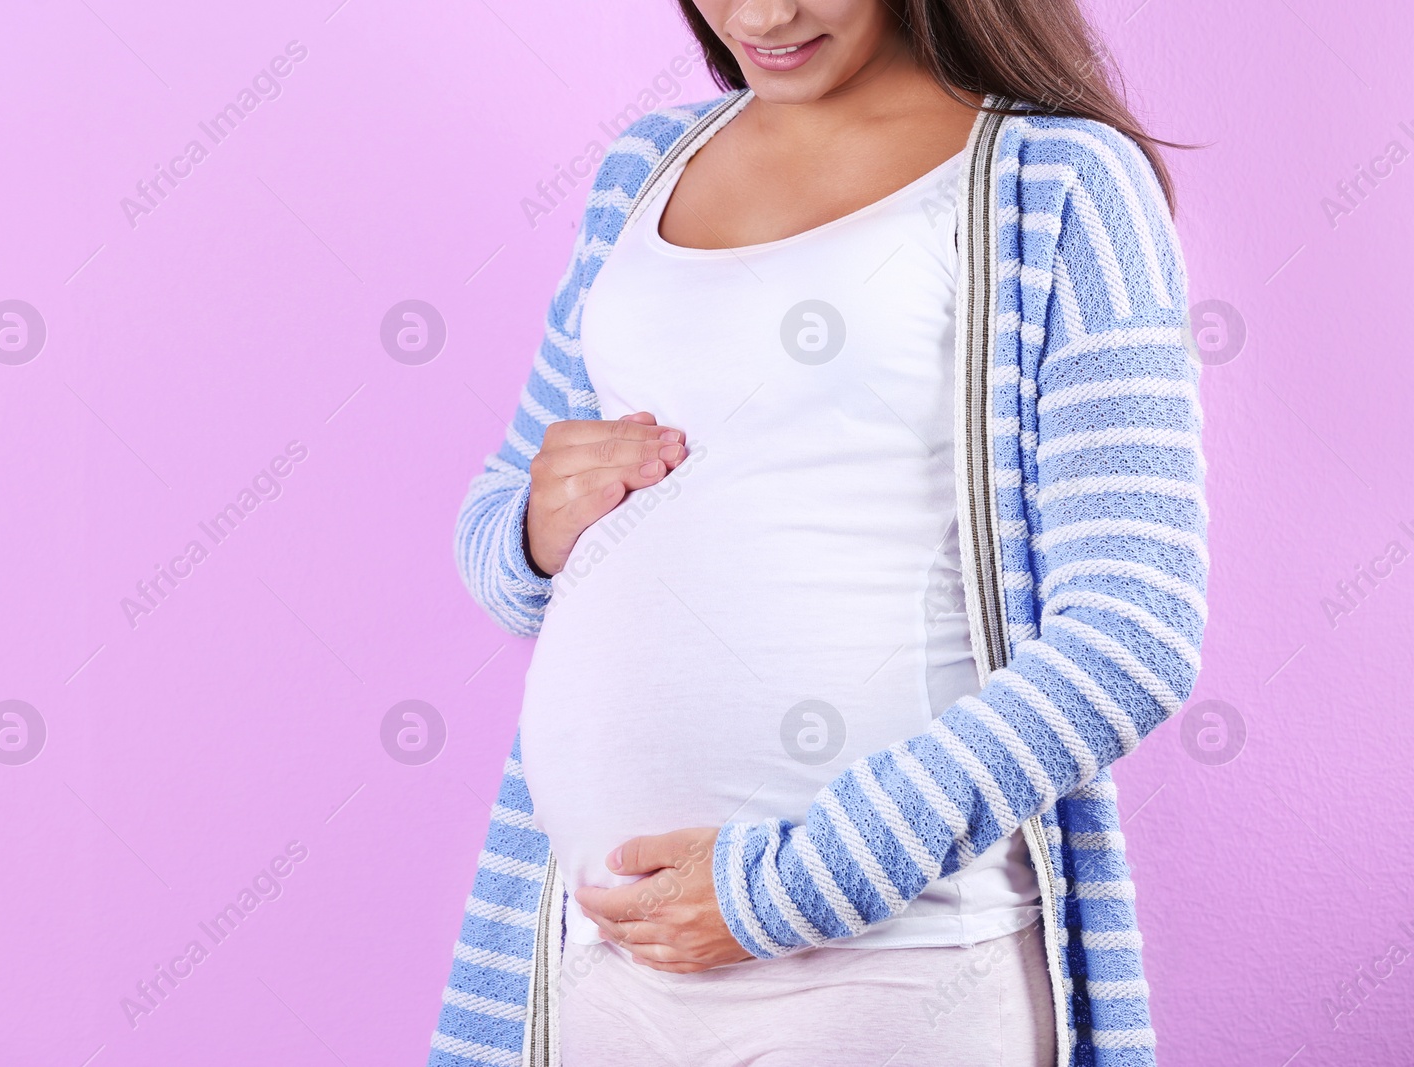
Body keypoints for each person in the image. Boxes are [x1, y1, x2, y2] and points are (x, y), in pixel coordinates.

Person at [434, 1, 1206, 1064]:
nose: (764, 13)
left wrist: (785, 886)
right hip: (594, 968)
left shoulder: (1055, 181)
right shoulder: (645, 167)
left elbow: (1133, 633)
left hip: (891, 972)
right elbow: (498, 533)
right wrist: (534, 522)